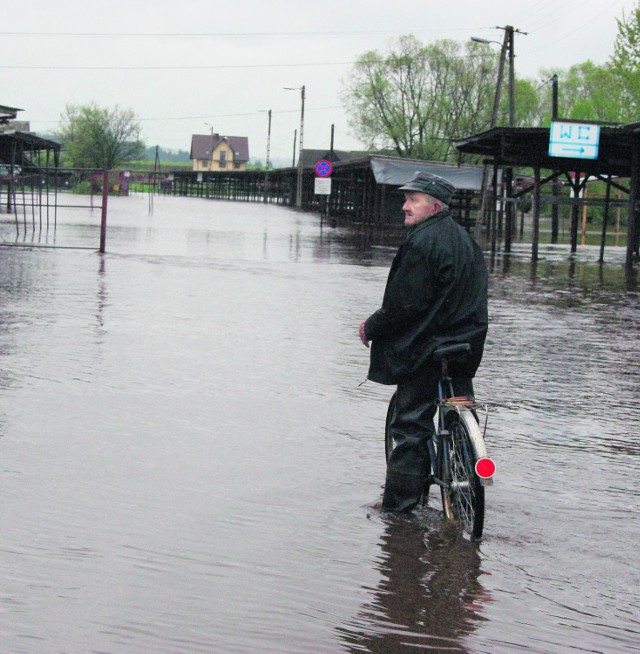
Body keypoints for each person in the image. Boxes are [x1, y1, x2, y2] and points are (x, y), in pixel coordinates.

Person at [359, 170, 488, 512]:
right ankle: (463, 501)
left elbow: (403, 307)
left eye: (412, 200)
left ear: (434, 206)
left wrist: (370, 327)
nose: (404, 206)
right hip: (464, 348)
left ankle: (399, 512)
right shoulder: (467, 243)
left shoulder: (422, 242)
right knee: (460, 413)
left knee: (411, 427)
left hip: (428, 351)